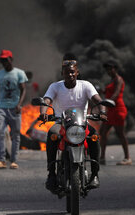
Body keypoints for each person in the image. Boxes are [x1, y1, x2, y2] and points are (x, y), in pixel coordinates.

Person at [41, 53, 107, 192]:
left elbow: (97, 100)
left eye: (72, 72)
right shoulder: (55, 87)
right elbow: (46, 100)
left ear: (77, 72)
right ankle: (51, 174)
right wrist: (43, 112)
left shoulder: (86, 85)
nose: (70, 75)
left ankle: (95, 174)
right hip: (61, 123)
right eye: (66, 72)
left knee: (94, 138)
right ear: (62, 73)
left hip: (81, 123)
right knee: (52, 135)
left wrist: (102, 111)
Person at [0, 50, 27, 169]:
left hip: (15, 108)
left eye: (6, 60)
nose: (4, 62)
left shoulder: (19, 73)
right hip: (1, 108)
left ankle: (14, 160)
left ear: (11, 59)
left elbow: (23, 90)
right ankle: (1, 160)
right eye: (2, 60)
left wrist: (19, 104)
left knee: (15, 135)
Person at [99, 60, 131, 165]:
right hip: (110, 110)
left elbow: (116, 93)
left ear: (115, 69)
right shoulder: (112, 80)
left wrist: (108, 101)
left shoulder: (118, 79)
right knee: (103, 132)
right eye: (107, 69)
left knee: (120, 133)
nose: (108, 71)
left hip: (117, 109)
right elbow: (108, 92)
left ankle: (127, 158)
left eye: (110, 68)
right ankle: (102, 157)